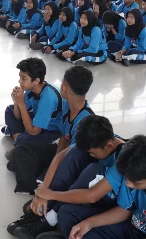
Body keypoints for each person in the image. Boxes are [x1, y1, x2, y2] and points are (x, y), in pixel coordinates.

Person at [7, 68, 98, 237]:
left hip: (77, 169)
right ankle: (38, 183)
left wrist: (46, 188)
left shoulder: (85, 122)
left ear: (64, 88)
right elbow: (62, 145)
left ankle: (45, 217)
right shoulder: (69, 109)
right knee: (23, 148)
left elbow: (71, 159)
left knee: (33, 203)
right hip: (66, 157)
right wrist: (45, 186)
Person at [62, 135, 146, 239]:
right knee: (69, 216)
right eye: (127, 179)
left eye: (135, 183)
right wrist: (89, 223)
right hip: (134, 225)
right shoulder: (135, 171)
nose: (128, 184)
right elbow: (125, 210)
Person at [12, 116, 127, 239]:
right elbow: (58, 158)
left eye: (93, 152)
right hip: (91, 191)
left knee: (94, 170)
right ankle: (45, 208)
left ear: (109, 146)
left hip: (111, 203)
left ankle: (48, 219)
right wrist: (43, 192)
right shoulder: (102, 138)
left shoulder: (124, 158)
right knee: (76, 152)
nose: (91, 154)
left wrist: (50, 194)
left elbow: (92, 195)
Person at [2, 58, 63, 145]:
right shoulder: (31, 89)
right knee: (10, 109)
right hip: (37, 119)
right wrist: (17, 102)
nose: (19, 81)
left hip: (51, 129)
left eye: (23, 78)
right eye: (20, 77)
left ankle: (17, 136)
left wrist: (21, 103)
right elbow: (18, 117)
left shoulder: (48, 97)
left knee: (24, 140)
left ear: (36, 81)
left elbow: (34, 132)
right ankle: (18, 137)